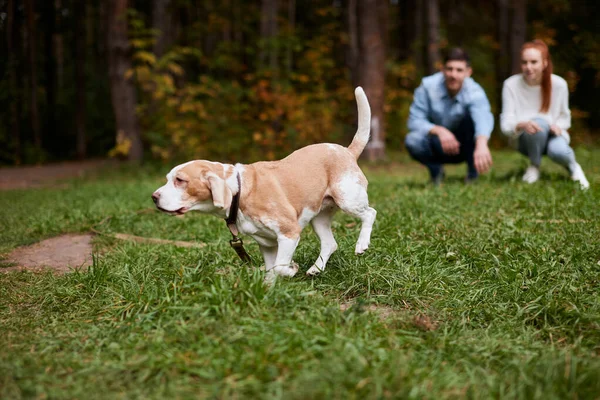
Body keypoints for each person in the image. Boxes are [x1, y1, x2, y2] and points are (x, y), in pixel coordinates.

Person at [500, 39, 590, 189]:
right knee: (539, 122)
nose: (528, 67)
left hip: (552, 135)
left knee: (559, 151)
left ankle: (573, 167)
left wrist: (558, 127)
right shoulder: (510, 84)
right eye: (524, 62)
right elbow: (505, 125)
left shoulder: (559, 84)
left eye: (534, 62)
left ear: (545, 63)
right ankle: (534, 165)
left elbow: (565, 117)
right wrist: (521, 124)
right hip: (525, 140)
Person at [405, 48, 494, 184]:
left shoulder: (475, 91)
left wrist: (482, 143)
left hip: (466, 145)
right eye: (449, 69)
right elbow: (414, 120)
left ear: (468, 72)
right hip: (438, 144)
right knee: (412, 140)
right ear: (442, 70)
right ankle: (436, 172)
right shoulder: (428, 87)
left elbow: (483, 117)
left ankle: (472, 174)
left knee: (473, 122)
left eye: (459, 70)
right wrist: (439, 130)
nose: (453, 74)